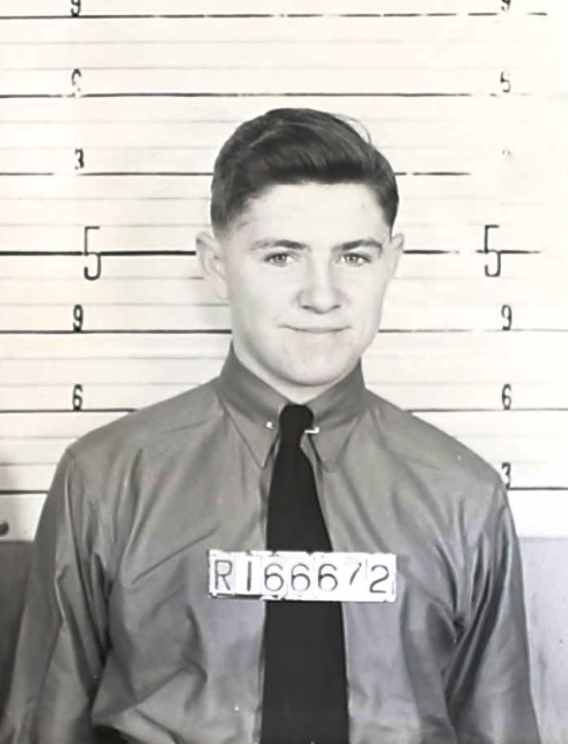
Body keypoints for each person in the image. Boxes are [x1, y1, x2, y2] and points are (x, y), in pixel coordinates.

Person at [0, 108, 540, 744]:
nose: (322, 295)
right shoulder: (105, 479)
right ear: (215, 263)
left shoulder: (464, 497)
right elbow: (45, 725)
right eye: (282, 256)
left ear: (392, 262)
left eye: (354, 256)